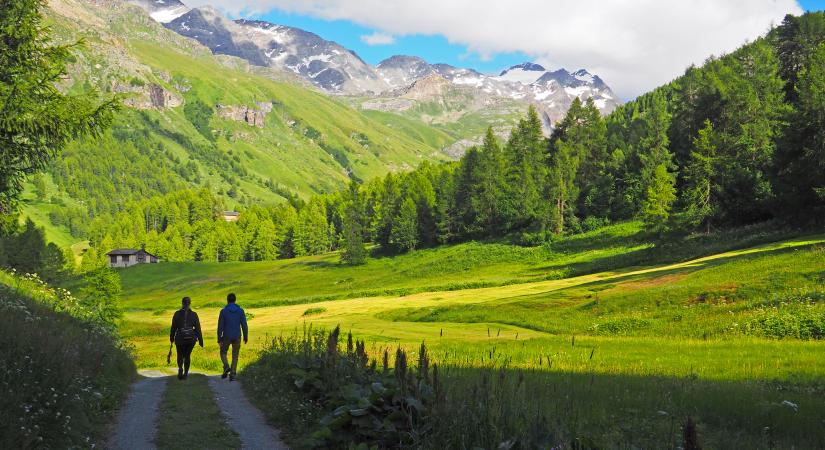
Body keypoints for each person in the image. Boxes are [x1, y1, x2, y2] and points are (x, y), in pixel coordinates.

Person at [169, 297, 203, 380]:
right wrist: (201, 340)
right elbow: (198, 328)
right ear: (190, 303)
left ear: (182, 303)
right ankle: (186, 374)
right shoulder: (194, 314)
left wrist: (172, 337)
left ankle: (180, 368)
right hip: (191, 339)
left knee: (180, 354)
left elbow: (173, 327)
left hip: (180, 338)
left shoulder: (177, 314)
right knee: (187, 355)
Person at [217, 293, 248, 381]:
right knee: (235, 355)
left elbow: (220, 326)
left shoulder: (223, 311)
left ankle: (226, 366)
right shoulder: (240, 311)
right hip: (237, 336)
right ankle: (233, 374)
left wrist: (219, 338)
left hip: (226, 336)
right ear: (235, 300)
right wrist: (246, 336)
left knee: (223, 352)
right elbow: (244, 325)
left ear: (227, 300)